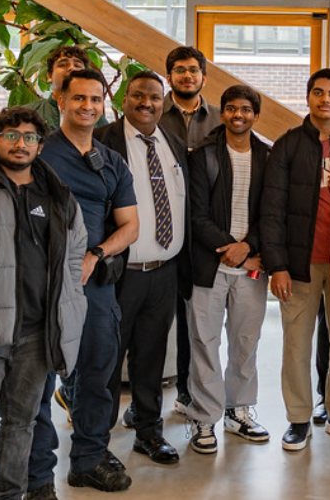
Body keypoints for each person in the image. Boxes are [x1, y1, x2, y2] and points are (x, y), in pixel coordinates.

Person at [25, 68, 139, 498]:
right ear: (60, 100)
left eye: (95, 99)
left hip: (93, 283)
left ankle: (89, 459)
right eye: (79, 99)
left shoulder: (111, 162)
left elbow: (130, 225)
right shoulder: (38, 153)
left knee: (96, 373)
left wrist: (96, 253)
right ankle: (37, 474)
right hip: (39, 282)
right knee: (38, 379)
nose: (88, 106)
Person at [0, 107, 88, 500]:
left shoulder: (56, 193)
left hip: (37, 331)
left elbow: (75, 251)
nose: (21, 144)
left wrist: (70, 300)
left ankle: (10, 495)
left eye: (30, 137)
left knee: (22, 424)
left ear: (40, 145)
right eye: (11, 135)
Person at [260, 68, 330, 453]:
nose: (326, 100)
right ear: (308, 98)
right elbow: (271, 208)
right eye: (318, 93)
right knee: (296, 342)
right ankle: (298, 418)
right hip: (299, 262)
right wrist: (277, 265)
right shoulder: (288, 145)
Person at [94, 71, 187, 465]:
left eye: (153, 97)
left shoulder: (173, 142)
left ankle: (148, 433)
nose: (146, 103)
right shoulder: (104, 141)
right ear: (123, 99)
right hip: (119, 273)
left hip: (165, 271)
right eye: (137, 96)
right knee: (106, 360)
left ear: (163, 102)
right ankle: (95, 443)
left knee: (150, 357)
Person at [183, 84, 272, 454]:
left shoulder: (268, 156)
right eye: (232, 109)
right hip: (209, 265)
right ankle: (204, 417)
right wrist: (228, 249)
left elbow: (272, 212)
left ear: (255, 114)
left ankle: (238, 411)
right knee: (204, 342)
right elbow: (196, 214)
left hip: (252, 266)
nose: (238, 115)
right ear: (224, 113)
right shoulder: (203, 156)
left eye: (246, 109)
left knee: (245, 343)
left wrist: (248, 247)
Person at [159, 45, 219, 417]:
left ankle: (187, 390)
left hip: (204, 232)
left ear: (203, 77)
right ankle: (149, 397)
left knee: (195, 320)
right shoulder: (153, 114)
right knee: (155, 318)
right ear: (170, 76)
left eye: (193, 70)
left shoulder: (219, 120)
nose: (186, 76)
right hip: (160, 228)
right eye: (179, 70)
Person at [24, 45, 108, 132]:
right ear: (49, 76)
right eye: (63, 65)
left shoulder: (95, 118)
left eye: (77, 65)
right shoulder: (29, 114)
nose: (71, 68)